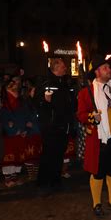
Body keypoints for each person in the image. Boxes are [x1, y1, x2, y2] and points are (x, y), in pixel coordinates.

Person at [76, 54, 111, 217]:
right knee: (98, 171)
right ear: (97, 72)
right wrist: (91, 117)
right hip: (100, 137)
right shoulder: (87, 92)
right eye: (105, 68)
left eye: (109, 67)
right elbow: (80, 114)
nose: (109, 70)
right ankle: (96, 203)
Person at [36, 58, 75, 195]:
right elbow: (38, 103)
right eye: (63, 66)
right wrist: (45, 101)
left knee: (59, 155)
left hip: (63, 125)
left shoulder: (64, 83)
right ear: (55, 68)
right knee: (49, 155)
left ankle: (55, 181)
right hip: (51, 126)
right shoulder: (47, 83)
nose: (65, 68)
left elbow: (69, 104)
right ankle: (43, 183)